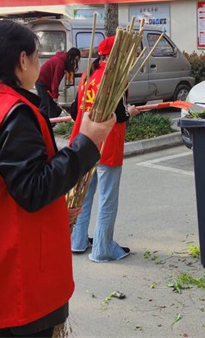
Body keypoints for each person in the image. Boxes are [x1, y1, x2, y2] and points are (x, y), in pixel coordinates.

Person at [0, 20, 114, 337]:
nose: (39, 62)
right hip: (14, 288)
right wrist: (87, 142)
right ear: (23, 60)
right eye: (36, 55)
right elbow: (33, 190)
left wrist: (55, 213)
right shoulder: (15, 112)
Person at [69, 36, 139, 262]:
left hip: (84, 143)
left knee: (84, 195)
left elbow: (74, 110)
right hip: (107, 146)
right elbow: (119, 115)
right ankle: (102, 248)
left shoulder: (87, 76)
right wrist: (131, 112)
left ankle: (77, 240)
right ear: (116, 55)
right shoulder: (115, 80)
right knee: (107, 198)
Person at [36, 47, 81, 119]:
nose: (74, 63)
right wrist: (55, 96)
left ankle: (52, 123)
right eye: (74, 60)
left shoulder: (64, 61)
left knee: (52, 105)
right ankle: (42, 123)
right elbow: (56, 81)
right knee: (44, 105)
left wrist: (55, 96)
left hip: (48, 83)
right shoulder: (60, 63)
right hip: (41, 81)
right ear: (71, 57)